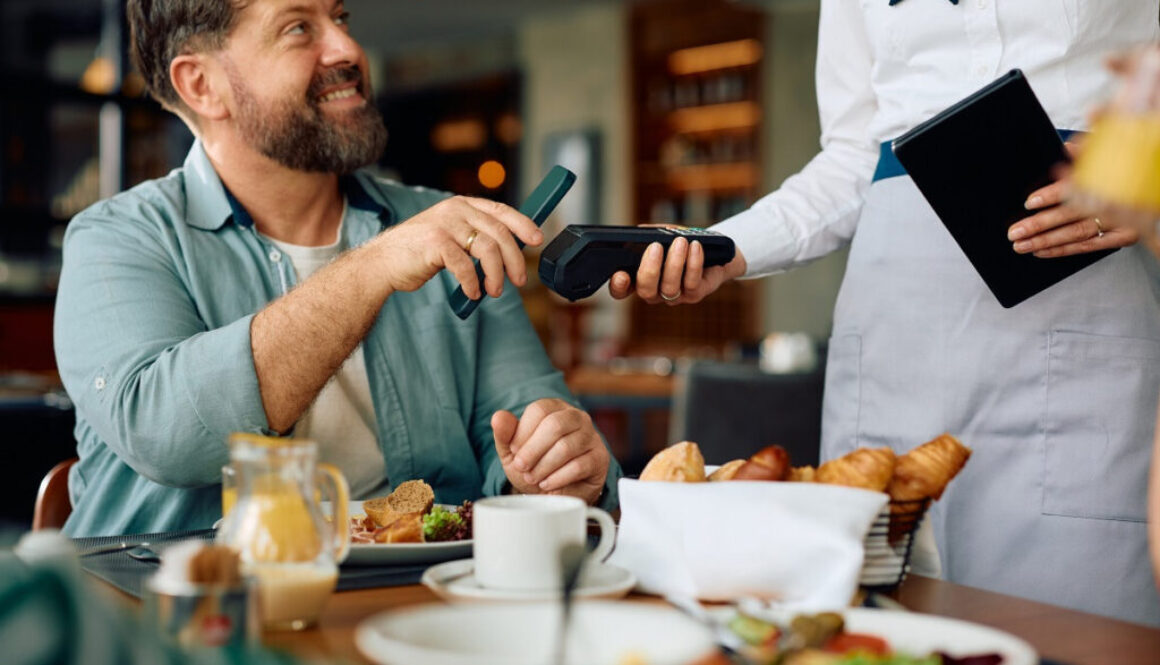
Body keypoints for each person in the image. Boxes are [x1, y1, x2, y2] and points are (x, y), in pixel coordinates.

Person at [613, 1, 1160, 625]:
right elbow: (851, 158)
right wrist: (724, 247)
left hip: (1082, 303)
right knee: (883, 615)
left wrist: (1147, 172)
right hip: (894, 326)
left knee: (1076, 621)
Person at [53, 0, 620, 537]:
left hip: (417, 603)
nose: (348, 47)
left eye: (341, 17)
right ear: (202, 84)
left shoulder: (441, 222)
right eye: (299, 28)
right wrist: (373, 267)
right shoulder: (117, 239)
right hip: (184, 619)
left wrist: (557, 466)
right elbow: (165, 433)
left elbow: (523, 438)